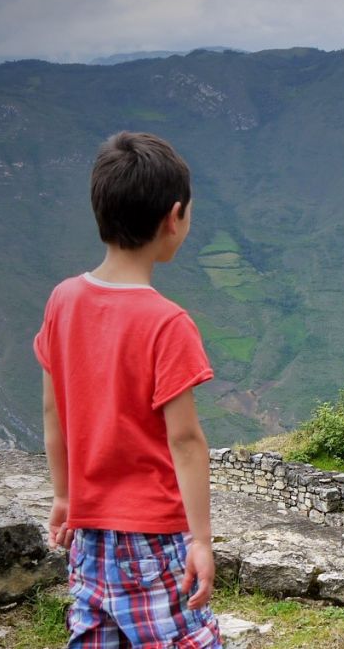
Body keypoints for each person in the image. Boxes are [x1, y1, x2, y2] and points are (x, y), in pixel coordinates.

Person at [34, 131, 222, 648]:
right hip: (154, 535)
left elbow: (54, 412)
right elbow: (185, 441)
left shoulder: (62, 301)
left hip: (88, 533)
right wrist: (201, 540)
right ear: (174, 216)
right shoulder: (168, 323)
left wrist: (63, 495)